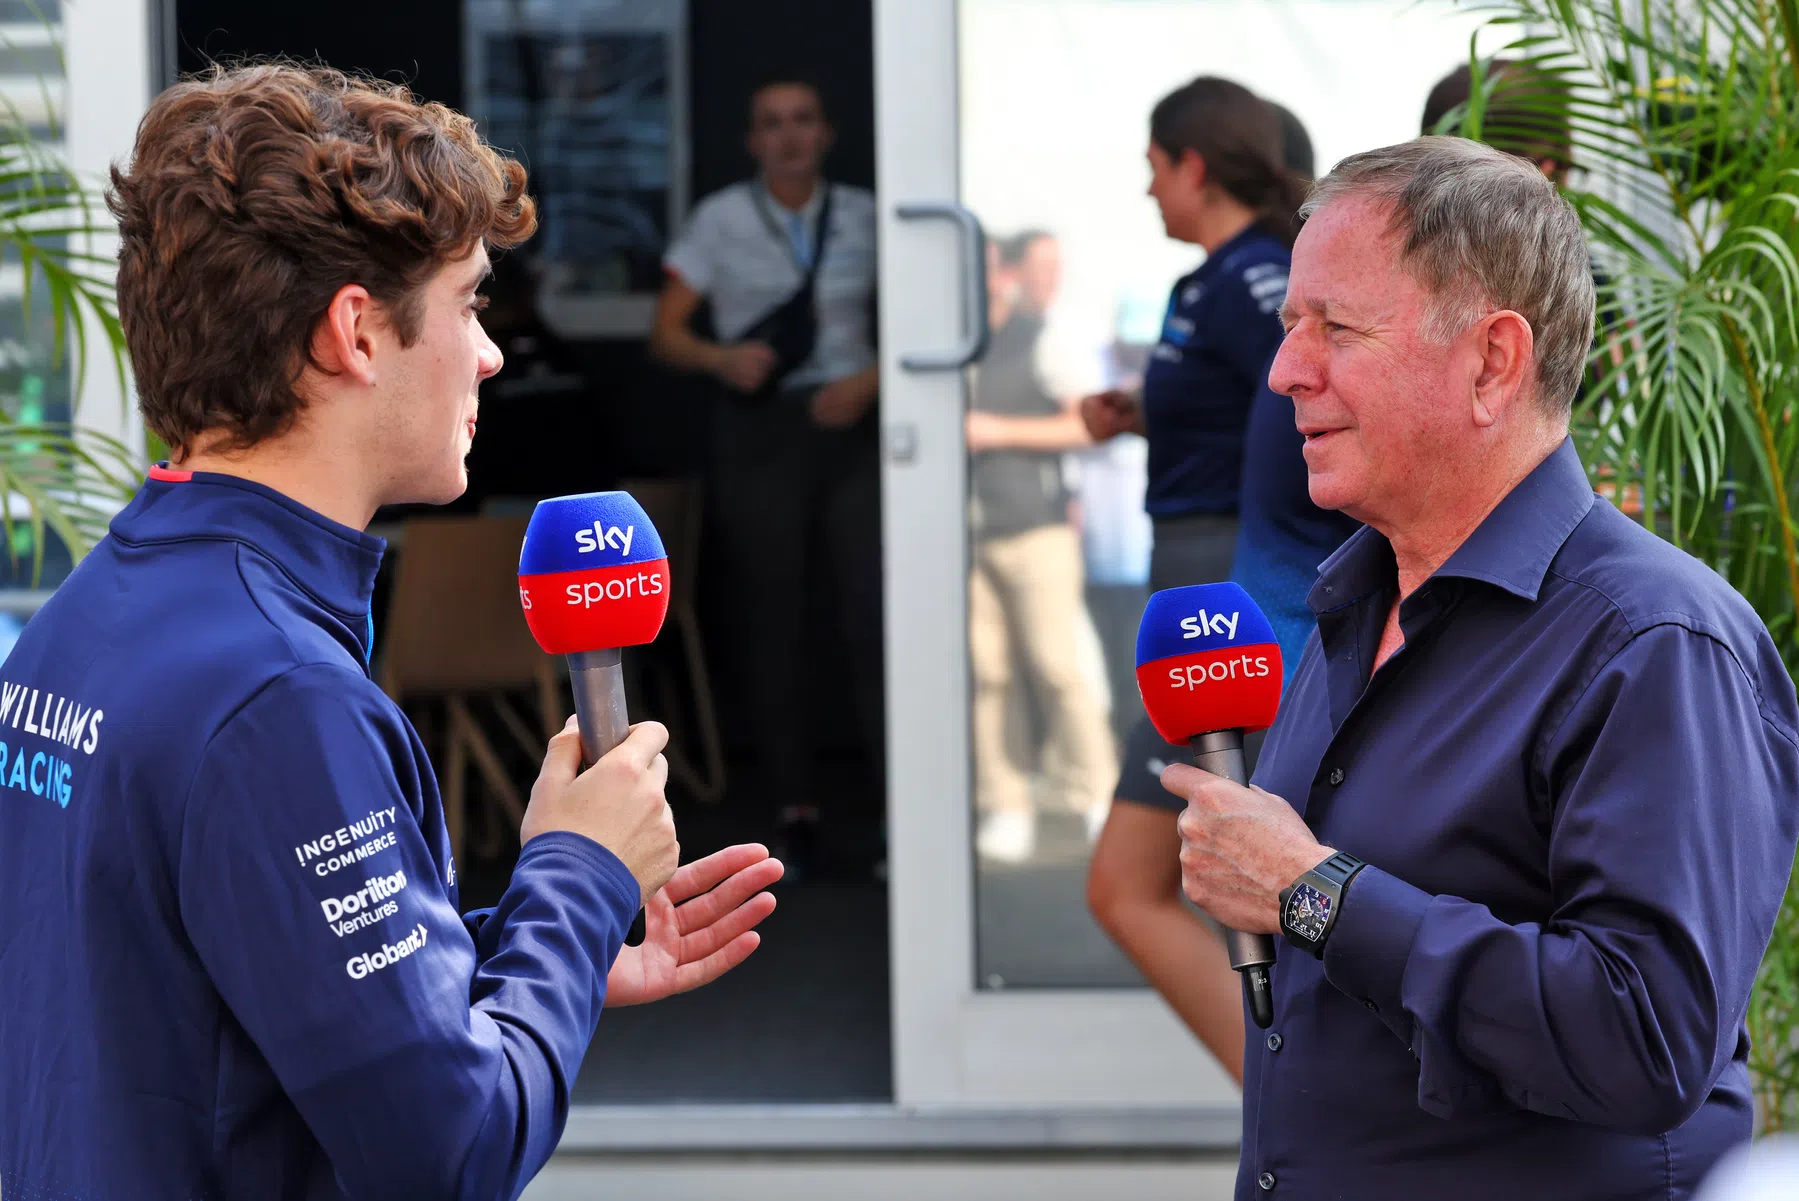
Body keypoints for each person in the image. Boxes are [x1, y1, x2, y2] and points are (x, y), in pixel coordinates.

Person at [0, 64, 783, 1201]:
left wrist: (531, 954)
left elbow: (196, 986)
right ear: (356, 333)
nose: (491, 353)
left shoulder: (84, 615)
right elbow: (447, 1150)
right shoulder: (279, 696)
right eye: (467, 302)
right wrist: (573, 878)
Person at [1166, 136, 1799, 1198]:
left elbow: (1643, 1041)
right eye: (1288, 328)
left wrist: (1315, 895)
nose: (1284, 371)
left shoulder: (1652, 641)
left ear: (1491, 362)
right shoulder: (1351, 602)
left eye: (1335, 329)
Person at [1086, 93, 1334, 1082]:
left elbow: (1297, 414)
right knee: (1155, 880)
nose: (1146, 183)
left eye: (1153, 161)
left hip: (1225, 607)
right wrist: (1142, 418)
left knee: (1139, 881)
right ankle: (1307, 1106)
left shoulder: (1253, 283)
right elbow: (1250, 419)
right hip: (1194, 591)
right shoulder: (1214, 283)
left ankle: (1306, 1107)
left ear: (1194, 165)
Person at [649, 72, 882, 876]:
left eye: (802, 121)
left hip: (853, 424)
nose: (788, 136)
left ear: (826, 133)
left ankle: (897, 804)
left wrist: (874, 379)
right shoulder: (718, 220)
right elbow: (665, 334)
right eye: (771, 123)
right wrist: (720, 357)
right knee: (771, 619)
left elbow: (936, 312)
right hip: (760, 427)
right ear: (752, 141)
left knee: (871, 614)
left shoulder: (867, 214)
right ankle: (794, 809)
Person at [965, 230, 1114, 863]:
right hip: (967, 536)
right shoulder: (956, 347)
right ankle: (1005, 801)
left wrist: (994, 431)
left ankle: (1097, 793)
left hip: (1036, 526)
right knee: (986, 673)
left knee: (1059, 665)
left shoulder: (1042, 335)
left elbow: (1087, 423)